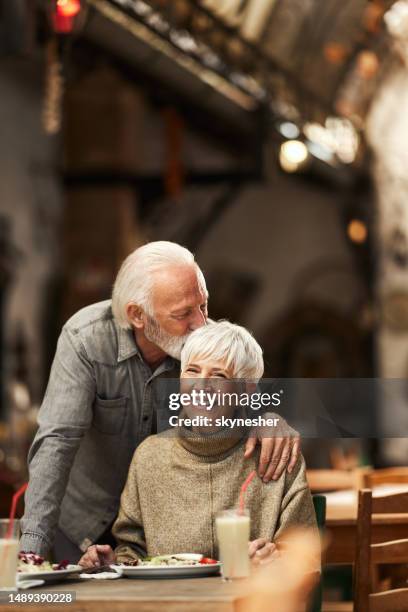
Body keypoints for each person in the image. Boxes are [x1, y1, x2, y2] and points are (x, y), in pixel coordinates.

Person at [20, 241, 300, 562]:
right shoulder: (85, 339)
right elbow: (58, 440)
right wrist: (31, 550)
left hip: (156, 529)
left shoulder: (201, 345)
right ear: (138, 315)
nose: (200, 324)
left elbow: (234, 393)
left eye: (203, 306)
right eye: (183, 314)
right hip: (83, 522)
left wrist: (267, 417)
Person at [79, 321, 316, 569]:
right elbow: (133, 550)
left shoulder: (277, 452)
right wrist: (114, 563)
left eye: (219, 375)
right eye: (192, 370)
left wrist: (273, 563)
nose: (201, 386)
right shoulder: (149, 456)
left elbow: (305, 559)